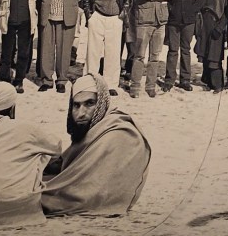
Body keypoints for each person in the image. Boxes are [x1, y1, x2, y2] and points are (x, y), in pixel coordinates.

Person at [41, 73, 151, 216]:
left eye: (89, 104)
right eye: (76, 105)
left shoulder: (120, 134)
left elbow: (89, 192)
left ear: (101, 103)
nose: (81, 113)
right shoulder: (93, 130)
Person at [0, 81, 60, 224]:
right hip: (20, 209)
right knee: (39, 153)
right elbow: (57, 148)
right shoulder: (26, 128)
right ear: (12, 108)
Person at [36, 0, 86, 93]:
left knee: (64, 50)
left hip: (67, 16)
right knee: (47, 49)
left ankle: (61, 80)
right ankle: (46, 80)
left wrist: (70, 5)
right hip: (48, 15)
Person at [79, 0, 130, 96]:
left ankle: (111, 84)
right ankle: (90, 81)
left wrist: (121, 15)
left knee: (113, 53)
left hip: (115, 18)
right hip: (97, 17)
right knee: (92, 52)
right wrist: (90, 16)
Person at [128, 0, 173, 98]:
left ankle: (150, 86)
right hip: (144, 21)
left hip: (160, 21)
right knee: (139, 55)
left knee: (155, 56)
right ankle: (135, 86)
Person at [162, 0, 202, 93]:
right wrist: (170, 9)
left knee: (186, 49)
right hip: (173, 19)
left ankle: (185, 80)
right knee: (173, 50)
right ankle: (169, 80)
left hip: (189, 20)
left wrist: (194, 9)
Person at [194, 0, 228, 93]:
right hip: (205, 22)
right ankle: (208, 81)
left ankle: (218, 84)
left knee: (215, 54)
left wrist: (220, 27)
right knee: (205, 52)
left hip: (217, 22)